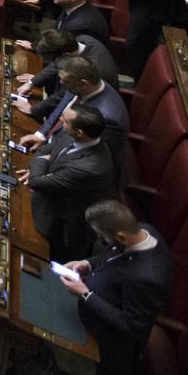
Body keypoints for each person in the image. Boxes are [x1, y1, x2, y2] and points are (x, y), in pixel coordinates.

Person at [58, 200, 174, 375]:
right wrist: (87, 264)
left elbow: (130, 325)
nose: (101, 239)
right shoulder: (144, 231)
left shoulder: (147, 278)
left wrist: (85, 293)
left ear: (121, 235)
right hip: (101, 316)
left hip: (114, 341)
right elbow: (113, 255)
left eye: (103, 236)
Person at [22, 107, 118, 260]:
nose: (60, 121)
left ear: (80, 132)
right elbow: (44, 149)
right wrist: (42, 161)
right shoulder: (74, 136)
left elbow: (36, 181)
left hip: (59, 227)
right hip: (48, 196)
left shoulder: (90, 168)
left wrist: (40, 162)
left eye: (65, 121)